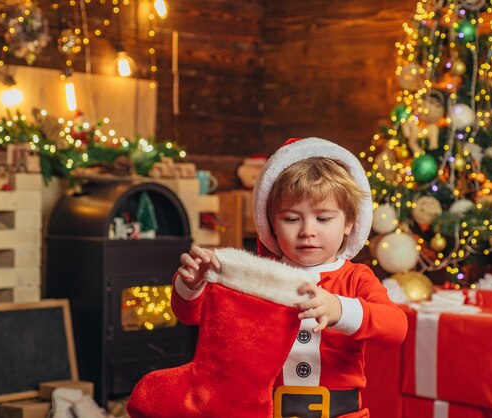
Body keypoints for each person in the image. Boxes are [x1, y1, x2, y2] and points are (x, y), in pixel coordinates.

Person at [174, 137, 408, 418]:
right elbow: (193, 316)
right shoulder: (257, 275)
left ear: (349, 222)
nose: (307, 231)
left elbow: (396, 328)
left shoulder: (356, 278)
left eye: (323, 219)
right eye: (291, 219)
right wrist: (192, 285)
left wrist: (339, 309)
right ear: (271, 223)